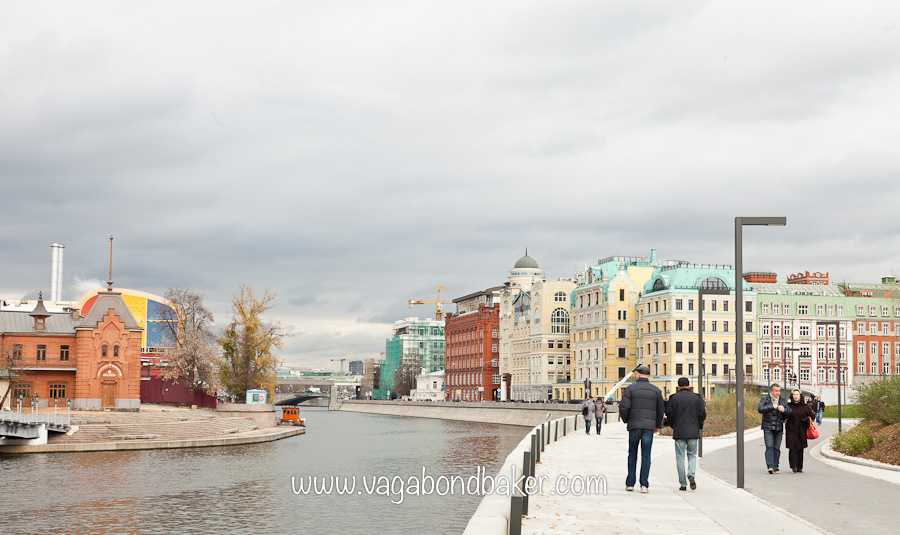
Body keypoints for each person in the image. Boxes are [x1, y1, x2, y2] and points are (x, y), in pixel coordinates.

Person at [619, 365, 665, 493]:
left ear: (638, 375)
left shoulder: (630, 389)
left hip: (634, 425)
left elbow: (623, 407)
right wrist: (656, 425)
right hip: (648, 427)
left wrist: (628, 420)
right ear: (648, 376)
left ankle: (630, 483)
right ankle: (644, 485)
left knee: (632, 453)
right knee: (646, 455)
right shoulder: (656, 390)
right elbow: (661, 410)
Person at [665, 377, 706, 491]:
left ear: (678, 387)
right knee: (692, 455)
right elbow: (702, 413)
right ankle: (691, 474)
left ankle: (683, 484)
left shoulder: (673, 398)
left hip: (679, 431)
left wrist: (673, 425)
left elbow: (669, 413)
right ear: (689, 386)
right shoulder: (697, 398)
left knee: (680, 457)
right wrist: (699, 425)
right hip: (693, 431)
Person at [758, 383, 792, 474]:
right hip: (768, 427)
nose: (778, 393)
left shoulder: (782, 400)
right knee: (769, 446)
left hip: (779, 427)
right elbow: (760, 409)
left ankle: (776, 467)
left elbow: (790, 412)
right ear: (771, 391)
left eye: (779, 391)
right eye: (776, 391)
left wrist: (784, 410)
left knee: (776, 448)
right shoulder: (765, 399)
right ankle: (770, 466)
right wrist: (771, 406)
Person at [786, 388, 815, 473]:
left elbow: (812, 417)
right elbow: (784, 416)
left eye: (797, 394)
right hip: (791, 428)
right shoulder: (788, 405)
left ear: (800, 396)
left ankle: (799, 466)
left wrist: (805, 419)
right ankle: (793, 466)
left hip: (802, 429)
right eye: (794, 394)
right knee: (793, 447)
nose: (795, 396)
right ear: (792, 396)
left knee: (800, 447)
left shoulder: (805, 406)